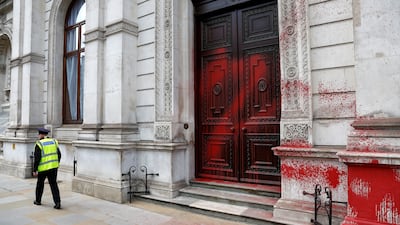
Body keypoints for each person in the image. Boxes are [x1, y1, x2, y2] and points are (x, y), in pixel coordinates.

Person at [33, 127, 62, 209]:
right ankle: (57, 203)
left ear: (41, 134)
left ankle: (38, 201)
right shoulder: (54, 141)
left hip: (43, 168)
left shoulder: (39, 144)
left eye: (39, 134)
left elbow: (37, 158)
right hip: (53, 167)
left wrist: (35, 170)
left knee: (40, 184)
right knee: (54, 185)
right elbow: (59, 155)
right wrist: (56, 163)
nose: (38, 136)